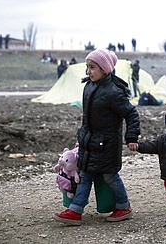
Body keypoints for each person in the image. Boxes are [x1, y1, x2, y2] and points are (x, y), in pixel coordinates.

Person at [53, 49, 140, 225]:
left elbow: (131, 113)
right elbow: (87, 118)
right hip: (90, 143)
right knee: (85, 175)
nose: (88, 71)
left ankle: (124, 207)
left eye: (92, 67)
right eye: (87, 67)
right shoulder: (89, 87)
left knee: (110, 176)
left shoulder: (114, 92)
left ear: (104, 69)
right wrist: (82, 138)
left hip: (107, 145)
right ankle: (75, 211)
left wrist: (131, 137)